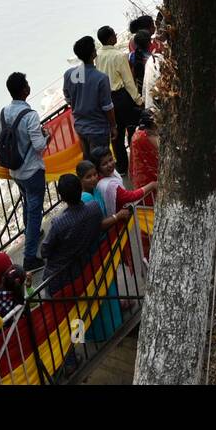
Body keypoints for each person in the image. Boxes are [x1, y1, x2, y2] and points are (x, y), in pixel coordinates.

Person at [0, 71, 48, 273]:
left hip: (15, 170)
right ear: (25, 90)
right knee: (34, 209)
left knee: (29, 204)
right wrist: (48, 137)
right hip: (32, 170)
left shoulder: (2, 113)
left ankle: (32, 235)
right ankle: (29, 258)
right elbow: (39, 145)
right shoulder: (30, 115)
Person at [40, 174, 107, 296]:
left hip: (60, 279)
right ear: (81, 188)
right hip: (87, 267)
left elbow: (44, 251)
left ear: (62, 197)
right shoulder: (94, 208)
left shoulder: (58, 224)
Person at [63, 35, 116, 164]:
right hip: (98, 129)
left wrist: (78, 103)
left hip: (80, 126)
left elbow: (68, 97)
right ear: (94, 53)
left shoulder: (70, 74)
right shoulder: (101, 78)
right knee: (101, 163)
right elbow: (107, 106)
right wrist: (113, 126)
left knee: (88, 162)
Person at [96, 25, 141, 173]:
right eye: (114, 34)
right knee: (132, 128)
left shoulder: (98, 55)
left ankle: (122, 166)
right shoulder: (119, 56)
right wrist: (138, 99)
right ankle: (136, 162)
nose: (116, 36)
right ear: (110, 38)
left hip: (106, 99)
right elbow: (128, 81)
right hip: (120, 96)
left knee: (116, 134)